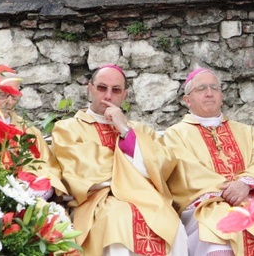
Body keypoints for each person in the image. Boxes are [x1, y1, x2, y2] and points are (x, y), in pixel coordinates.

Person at [163, 68, 254, 256]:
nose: (209, 93)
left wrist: (246, 183)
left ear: (221, 96)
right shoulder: (176, 134)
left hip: (251, 198)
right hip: (207, 205)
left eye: (214, 88)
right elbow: (186, 173)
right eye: (201, 88)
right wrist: (229, 192)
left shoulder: (246, 131)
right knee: (215, 229)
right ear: (187, 100)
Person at [50, 64, 187, 256]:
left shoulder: (138, 130)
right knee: (118, 220)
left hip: (146, 200)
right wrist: (134, 154)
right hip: (100, 201)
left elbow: (162, 165)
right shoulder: (69, 128)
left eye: (116, 90)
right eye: (101, 88)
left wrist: (126, 132)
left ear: (124, 95)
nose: (108, 96)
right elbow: (85, 170)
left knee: (174, 227)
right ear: (90, 89)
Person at [0, 64, 66, 197]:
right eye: (3, 94)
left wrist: (31, 184)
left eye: (14, 97)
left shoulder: (28, 131)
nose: (9, 102)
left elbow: (48, 168)